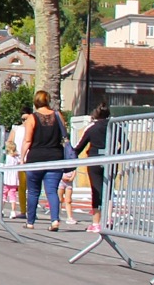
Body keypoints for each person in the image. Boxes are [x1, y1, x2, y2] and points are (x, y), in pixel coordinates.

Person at [20, 89, 69, 230]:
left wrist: (22, 158)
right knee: (52, 191)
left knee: (34, 191)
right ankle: (55, 220)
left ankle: (30, 222)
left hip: (36, 157)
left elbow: (27, 140)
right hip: (55, 157)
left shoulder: (32, 118)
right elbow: (64, 134)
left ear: (36, 102)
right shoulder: (58, 115)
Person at [75, 102, 111, 232]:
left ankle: (96, 222)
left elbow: (80, 146)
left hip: (95, 159)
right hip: (111, 159)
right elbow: (126, 143)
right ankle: (108, 218)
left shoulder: (92, 128)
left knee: (96, 190)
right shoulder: (114, 127)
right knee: (109, 190)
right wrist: (116, 154)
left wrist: (70, 156)